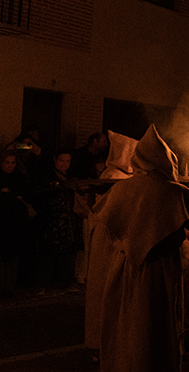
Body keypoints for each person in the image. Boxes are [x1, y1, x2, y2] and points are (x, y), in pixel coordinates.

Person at [93, 125, 189, 372]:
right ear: (166, 161)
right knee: (155, 330)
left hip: (123, 271)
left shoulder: (121, 189)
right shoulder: (176, 193)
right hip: (159, 271)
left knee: (124, 328)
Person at [85, 131, 137, 358]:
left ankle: (105, 343)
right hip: (111, 242)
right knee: (108, 293)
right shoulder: (117, 177)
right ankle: (106, 345)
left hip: (108, 240)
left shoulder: (113, 174)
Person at [33, 150, 82, 290]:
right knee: (48, 255)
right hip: (51, 221)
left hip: (68, 221)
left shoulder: (72, 177)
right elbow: (39, 194)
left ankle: (65, 281)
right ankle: (43, 283)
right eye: (62, 161)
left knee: (67, 254)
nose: (64, 164)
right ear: (55, 160)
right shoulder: (46, 176)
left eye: (67, 161)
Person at [0, 150, 32, 297]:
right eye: (7, 162)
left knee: (12, 255)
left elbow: (22, 194)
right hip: (3, 221)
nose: (10, 166)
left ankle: (9, 287)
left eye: (13, 162)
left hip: (14, 223)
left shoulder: (18, 178)